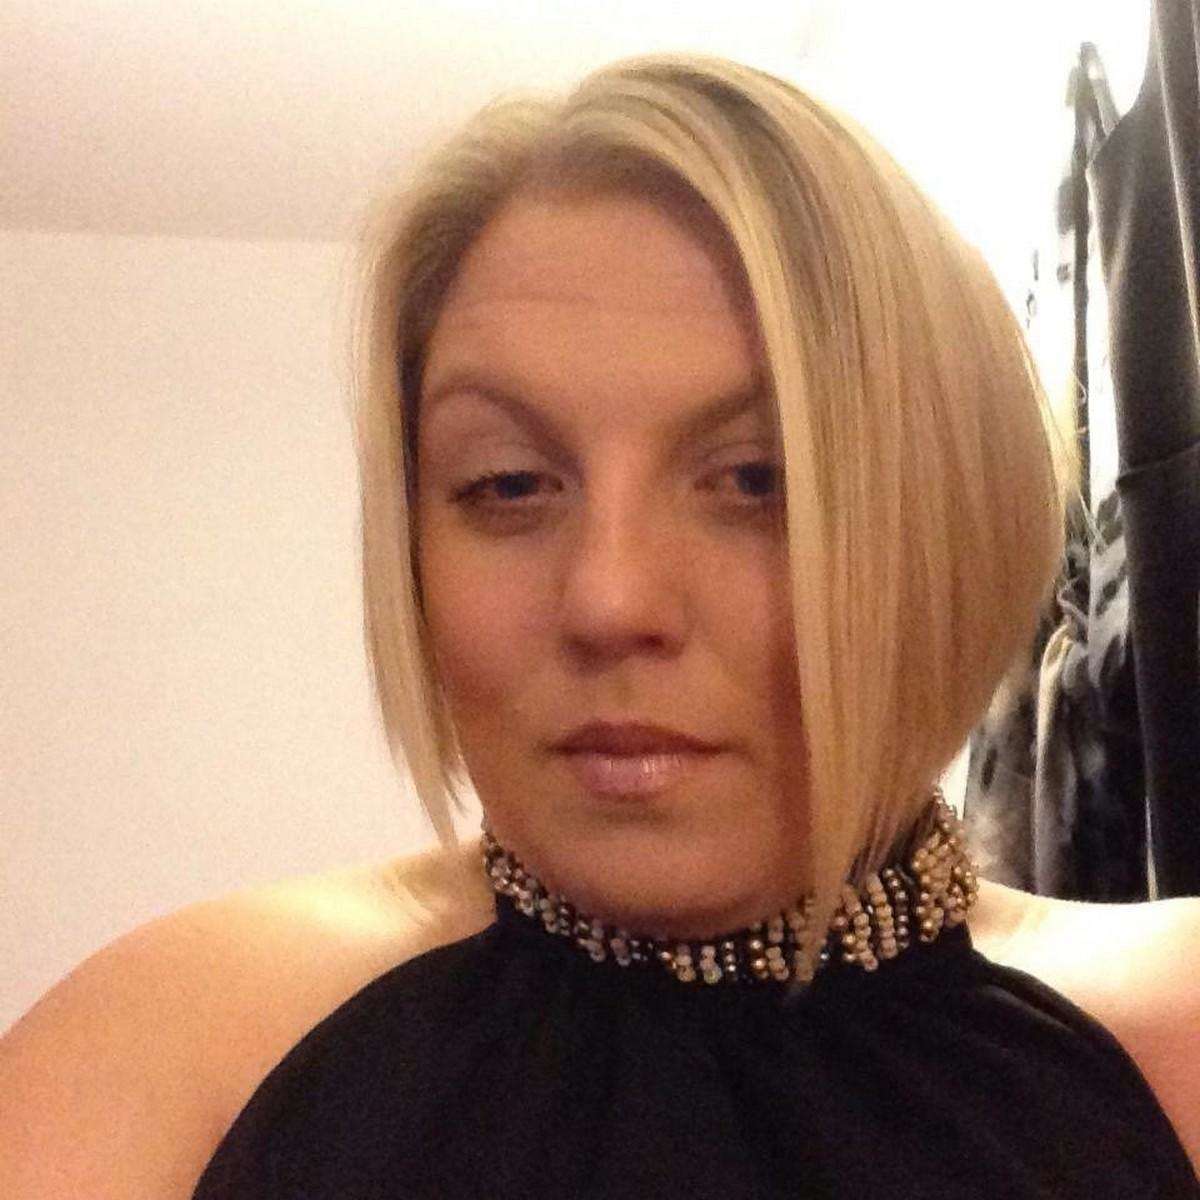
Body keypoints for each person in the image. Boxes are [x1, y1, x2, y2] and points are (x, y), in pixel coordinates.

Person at [3, 51, 1199, 1199]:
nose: (608, 601)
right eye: (509, 484)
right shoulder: (164, 1062)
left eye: (758, 480)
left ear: (959, 514)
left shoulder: (1171, 1049)